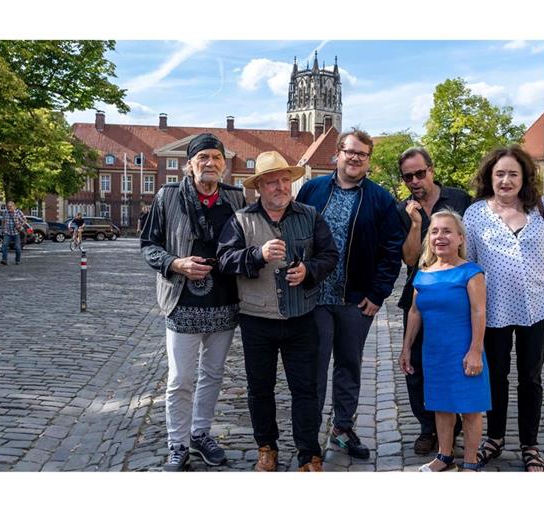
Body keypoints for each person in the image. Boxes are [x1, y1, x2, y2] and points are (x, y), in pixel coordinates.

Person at [217, 151, 338, 472]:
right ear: (259, 187)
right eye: (272, 182)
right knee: (260, 389)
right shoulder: (241, 220)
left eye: (285, 180)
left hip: (302, 318)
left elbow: (329, 255)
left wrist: (309, 271)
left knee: (305, 389)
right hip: (257, 320)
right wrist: (257, 254)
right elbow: (225, 261)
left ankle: (308, 454)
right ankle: (267, 448)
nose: (281, 187)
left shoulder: (310, 215)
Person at [296, 127, 405, 459]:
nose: (355, 158)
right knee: (314, 368)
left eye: (362, 154)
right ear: (337, 155)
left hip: (355, 300)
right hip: (313, 297)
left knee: (349, 365)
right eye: (350, 151)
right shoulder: (312, 190)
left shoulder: (381, 199)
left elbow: (392, 250)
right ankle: (309, 435)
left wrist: (378, 293)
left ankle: (342, 429)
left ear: (368, 160)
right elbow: (293, 234)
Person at [140, 133, 246, 471]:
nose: (210, 164)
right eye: (203, 158)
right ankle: (177, 443)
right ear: (189, 165)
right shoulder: (168, 196)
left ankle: (200, 434)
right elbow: (148, 244)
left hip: (224, 301)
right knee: (180, 378)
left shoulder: (236, 198)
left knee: (213, 375)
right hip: (181, 301)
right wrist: (176, 264)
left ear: (224, 165)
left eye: (216, 158)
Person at [462, 145, 544, 472]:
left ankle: (530, 444)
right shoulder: (476, 213)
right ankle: (494, 438)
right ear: (489, 178)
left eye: (512, 174)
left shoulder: (542, 208)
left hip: (537, 306)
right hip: (491, 310)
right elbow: (469, 264)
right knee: (495, 376)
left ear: (524, 178)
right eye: (499, 174)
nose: (506, 180)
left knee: (530, 377)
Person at [399, 210, 489, 472]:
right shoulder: (423, 274)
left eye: (447, 231)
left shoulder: (471, 273)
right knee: (441, 405)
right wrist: (406, 348)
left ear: (460, 238)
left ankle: (471, 461)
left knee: (470, 408)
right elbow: (415, 312)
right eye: (435, 231)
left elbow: (479, 311)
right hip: (434, 352)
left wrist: (475, 350)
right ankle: (444, 456)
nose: (440, 236)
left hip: (464, 349)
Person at [396, 147, 473, 455]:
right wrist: (415, 225)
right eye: (408, 176)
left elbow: (472, 245)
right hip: (420, 295)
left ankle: (454, 428)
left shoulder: (459, 199)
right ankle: (428, 428)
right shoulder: (403, 209)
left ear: (431, 169)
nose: (415, 180)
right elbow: (410, 258)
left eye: (420, 173)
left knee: (456, 360)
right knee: (416, 364)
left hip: (457, 296)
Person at [0, 200, 26, 265]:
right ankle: (4, 260)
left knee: (17, 247)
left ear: (14, 206)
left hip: (16, 233)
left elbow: (25, 220)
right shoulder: (5, 212)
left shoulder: (18, 212)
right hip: (7, 232)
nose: (9, 208)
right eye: (8, 207)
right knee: (4, 246)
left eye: (10, 206)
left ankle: (17, 260)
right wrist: (2, 229)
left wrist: (19, 225)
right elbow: (3, 221)